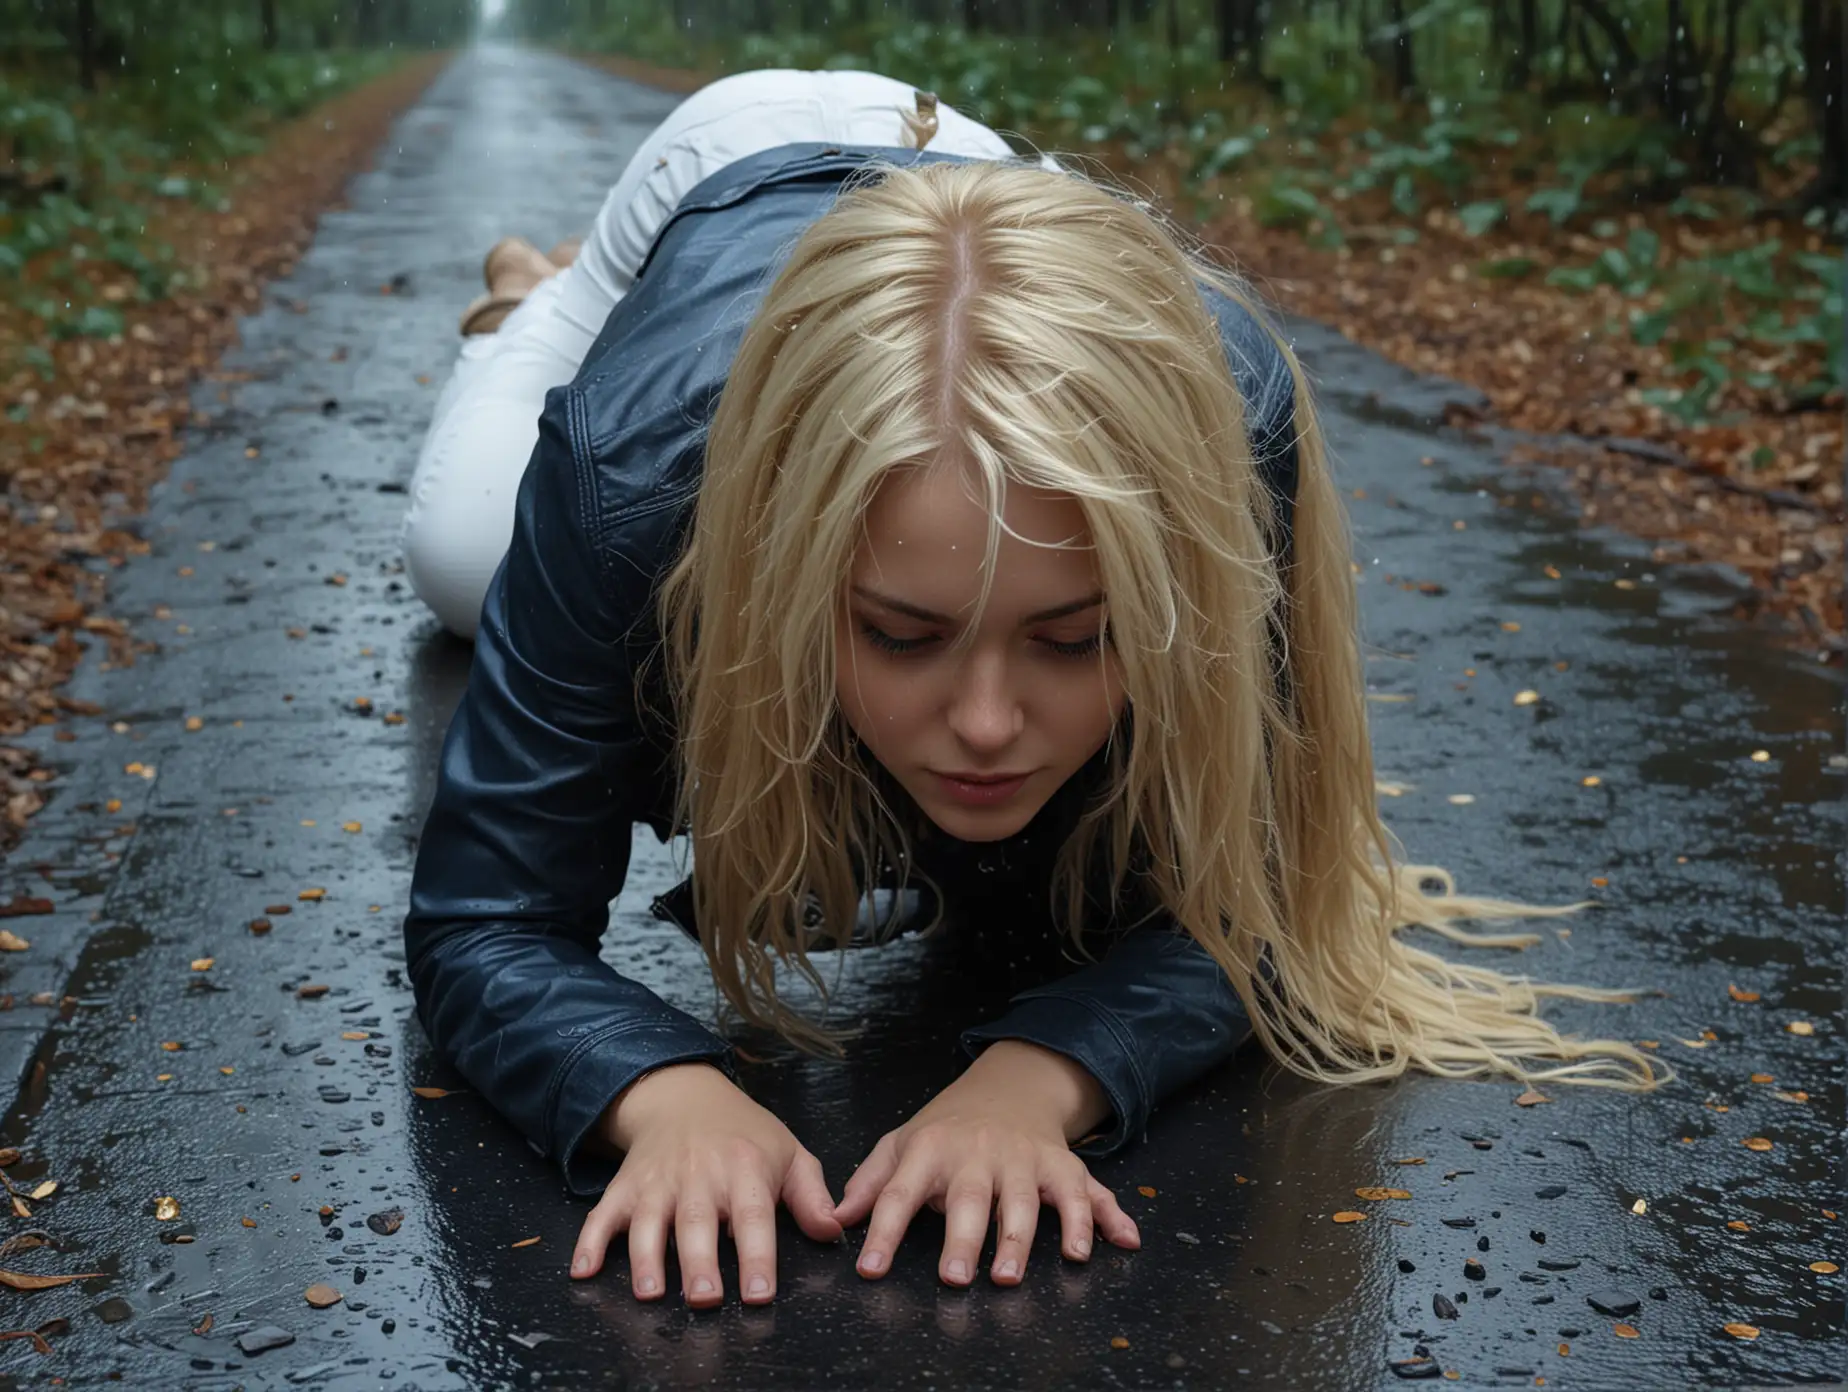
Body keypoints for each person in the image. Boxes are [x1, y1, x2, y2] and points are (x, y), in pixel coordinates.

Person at [401, 67, 1663, 1313]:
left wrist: (1040, 1078)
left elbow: (1281, 885)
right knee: (467, 555)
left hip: (975, 211)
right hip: (718, 183)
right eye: (900, 635)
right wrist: (661, 1095)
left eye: (1075, 638)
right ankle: (538, 302)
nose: (991, 726)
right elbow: (484, 919)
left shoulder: (1218, 438)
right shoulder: (623, 476)